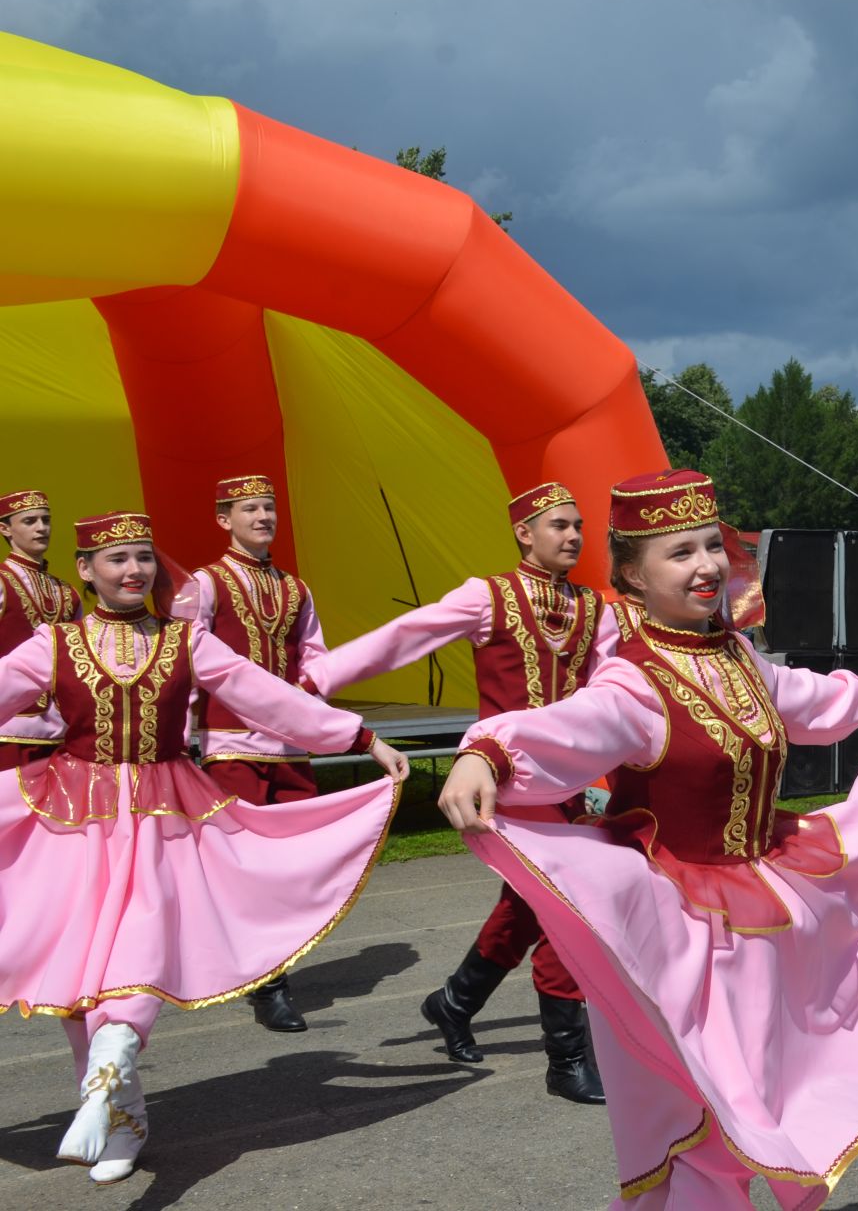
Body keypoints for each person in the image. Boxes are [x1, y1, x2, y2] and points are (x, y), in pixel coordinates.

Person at [436, 469, 858, 1207]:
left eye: (710, 547)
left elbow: (800, 697)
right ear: (631, 575)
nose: (706, 567)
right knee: (701, 1121)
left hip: (760, 915)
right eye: (679, 554)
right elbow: (568, 728)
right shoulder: (633, 683)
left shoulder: (734, 655)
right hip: (682, 936)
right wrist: (486, 751)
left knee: (752, 1101)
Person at [0, 511, 407, 1186]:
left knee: (137, 956)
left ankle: (103, 1093)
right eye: (117, 559)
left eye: (143, 558)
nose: (133, 571)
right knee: (77, 989)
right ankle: (121, 1115)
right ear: (86, 569)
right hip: (73, 825)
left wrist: (361, 738)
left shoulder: (188, 642)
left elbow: (271, 699)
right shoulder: (54, 642)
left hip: (165, 823)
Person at [301, 482, 610, 1103]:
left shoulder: (595, 608)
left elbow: (612, 691)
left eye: (578, 526)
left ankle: (454, 1002)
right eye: (559, 525)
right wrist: (322, 675)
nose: (573, 536)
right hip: (502, 786)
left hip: (570, 788)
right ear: (524, 532)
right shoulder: (488, 597)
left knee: (528, 910)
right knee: (564, 909)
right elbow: (408, 634)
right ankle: (565, 1059)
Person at [170, 475, 331, 1032]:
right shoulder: (205, 584)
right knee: (243, 856)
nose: (263, 517)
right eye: (250, 509)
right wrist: (180, 732)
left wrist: (310, 706)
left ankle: (270, 962)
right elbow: (184, 659)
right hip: (230, 740)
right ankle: (268, 983)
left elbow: (314, 656)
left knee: (294, 855)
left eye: (268, 508)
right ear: (224, 520)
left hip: (288, 743)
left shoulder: (296, 588)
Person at [0, 489, 84, 770]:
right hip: (8, 728)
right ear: (5, 529)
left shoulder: (67, 592)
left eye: (46, 520)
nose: (41, 528)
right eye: (30, 521)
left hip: (60, 729)